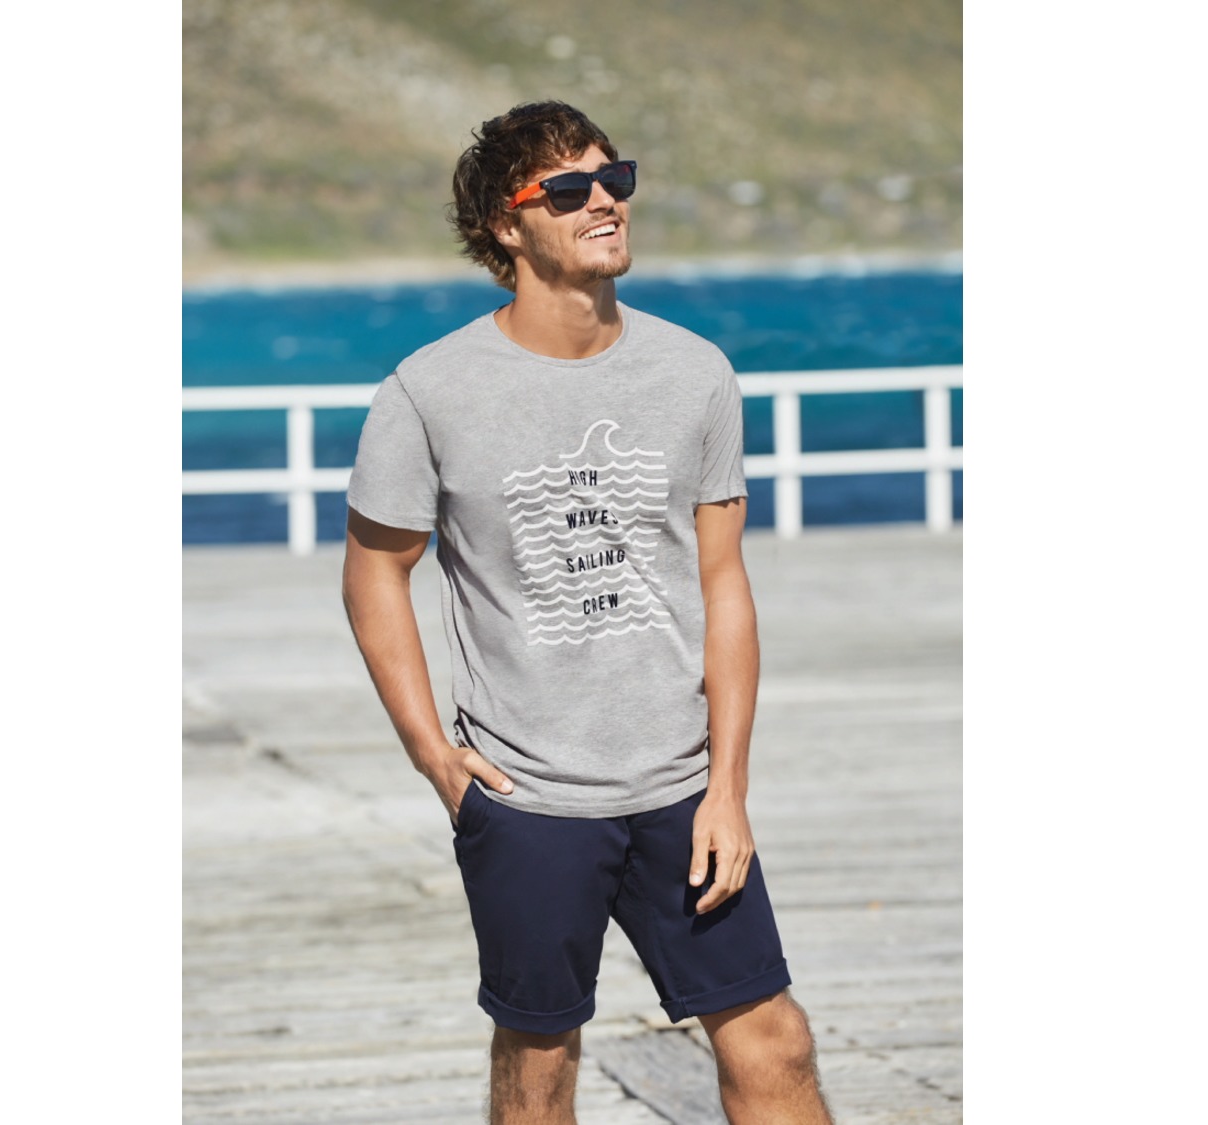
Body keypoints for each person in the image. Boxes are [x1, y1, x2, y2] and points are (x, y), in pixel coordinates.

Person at [342, 100, 832, 1125]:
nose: (603, 200)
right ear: (506, 226)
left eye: (616, 179)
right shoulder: (427, 392)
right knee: (539, 1065)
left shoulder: (694, 372)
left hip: (681, 790)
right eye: (568, 189)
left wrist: (729, 786)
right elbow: (376, 570)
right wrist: (434, 755)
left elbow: (724, 584)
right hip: (527, 798)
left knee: (773, 1038)